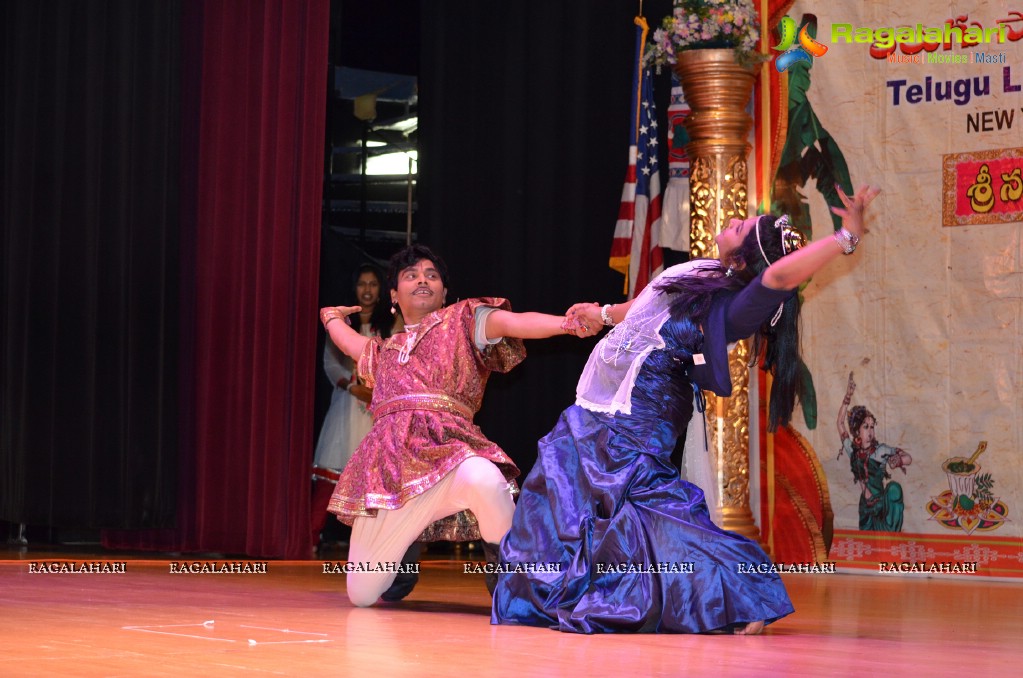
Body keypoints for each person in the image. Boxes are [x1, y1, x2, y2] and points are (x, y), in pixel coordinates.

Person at [493, 185, 881, 635]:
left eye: (742, 228)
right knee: (558, 486)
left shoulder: (736, 306)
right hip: (605, 402)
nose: (733, 221)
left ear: (745, 258)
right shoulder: (701, 273)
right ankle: (541, 597)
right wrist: (601, 313)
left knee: (649, 509)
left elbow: (776, 278)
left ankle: (744, 589)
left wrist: (844, 238)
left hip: (643, 413)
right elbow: (646, 308)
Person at [319, 244, 593, 607]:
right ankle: (400, 562)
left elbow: (515, 322)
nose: (422, 280)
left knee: (486, 479)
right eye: (411, 275)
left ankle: (511, 589)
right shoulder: (384, 352)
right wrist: (330, 317)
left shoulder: (464, 320)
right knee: (362, 595)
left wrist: (568, 324)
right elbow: (350, 342)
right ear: (394, 295)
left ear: (444, 293)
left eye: (431, 275)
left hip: (449, 456)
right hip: (391, 475)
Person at [311, 263, 398, 553]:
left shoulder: (388, 327)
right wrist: (352, 386)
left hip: (377, 408)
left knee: (373, 483)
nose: (368, 290)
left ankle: (371, 550)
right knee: (331, 474)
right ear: (354, 288)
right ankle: (310, 539)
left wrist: (374, 389)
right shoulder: (341, 325)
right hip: (346, 405)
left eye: (373, 284)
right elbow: (330, 363)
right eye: (362, 284)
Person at [837, 371, 912, 532]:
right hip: (866, 508)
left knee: (894, 489)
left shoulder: (881, 451)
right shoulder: (853, 451)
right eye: (866, 427)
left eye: (872, 426)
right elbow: (840, 424)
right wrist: (847, 396)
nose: (870, 431)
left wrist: (898, 460)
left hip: (881, 506)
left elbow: (908, 458)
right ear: (857, 431)